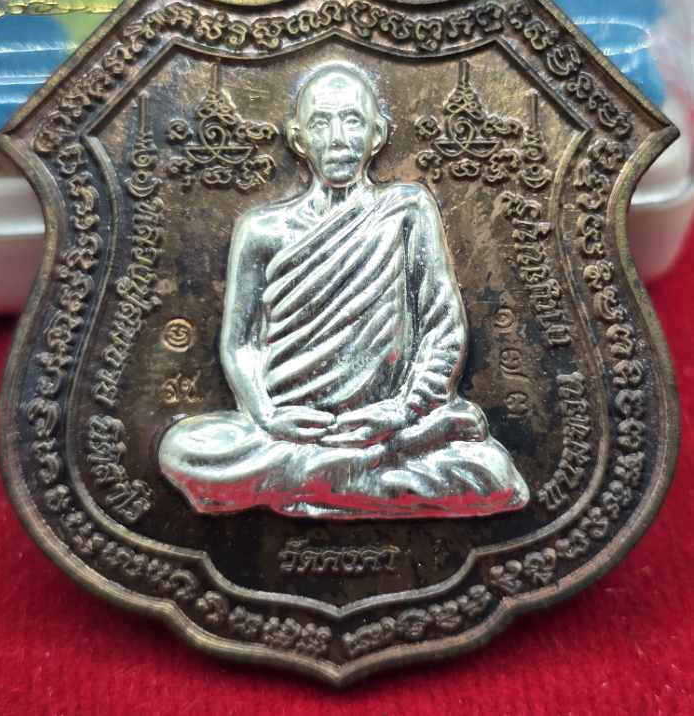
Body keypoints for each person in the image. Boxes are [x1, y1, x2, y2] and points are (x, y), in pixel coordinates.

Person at [159, 64, 529, 518]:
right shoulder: (262, 229)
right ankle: (361, 477)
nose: (337, 138)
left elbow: (442, 329)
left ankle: (316, 480)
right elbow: (241, 343)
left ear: (377, 134)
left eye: (352, 120)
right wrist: (266, 415)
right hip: (293, 429)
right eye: (321, 123)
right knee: (182, 449)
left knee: (492, 471)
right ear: (298, 139)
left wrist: (402, 411)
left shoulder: (407, 209)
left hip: (386, 424)